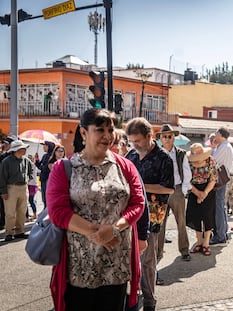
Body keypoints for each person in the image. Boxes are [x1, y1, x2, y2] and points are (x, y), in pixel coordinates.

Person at [47, 108, 146, 311]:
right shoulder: (64, 168)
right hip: (79, 265)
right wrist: (97, 232)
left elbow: (138, 203)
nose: (107, 136)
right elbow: (58, 212)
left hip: (117, 262)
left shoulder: (125, 166)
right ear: (84, 133)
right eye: (100, 130)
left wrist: (114, 228)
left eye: (110, 130)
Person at [125, 117, 174, 311]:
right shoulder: (131, 155)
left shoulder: (164, 158)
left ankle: (149, 301)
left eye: (137, 141)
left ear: (149, 136)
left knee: (147, 261)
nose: (135, 145)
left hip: (153, 215)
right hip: (129, 214)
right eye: (132, 141)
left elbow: (168, 188)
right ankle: (131, 297)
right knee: (128, 258)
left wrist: (139, 187)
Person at [156, 124, 192, 262]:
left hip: (177, 190)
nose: (167, 139)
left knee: (181, 222)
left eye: (170, 136)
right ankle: (158, 252)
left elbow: (187, 172)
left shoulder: (181, 153)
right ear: (160, 138)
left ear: (174, 138)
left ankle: (184, 250)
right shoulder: (157, 153)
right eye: (164, 136)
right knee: (159, 223)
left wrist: (183, 190)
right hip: (161, 191)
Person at [186, 143, 218, 256]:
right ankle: (199, 243)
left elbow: (213, 179)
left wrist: (204, 193)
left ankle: (206, 244)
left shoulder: (210, 160)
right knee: (196, 217)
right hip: (193, 190)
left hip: (208, 190)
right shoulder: (188, 162)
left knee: (208, 216)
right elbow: (186, 180)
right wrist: (198, 193)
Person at [0, 140, 33, 241]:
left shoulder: (26, 160)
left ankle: (20, 231)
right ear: (16, 150)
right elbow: (2, 177)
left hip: (23, 187)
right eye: (23, 148)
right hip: (11, 188)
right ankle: (9, 233)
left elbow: (30, 171)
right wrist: (4, 191)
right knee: (10, 212)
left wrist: (28, 178)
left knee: (22, 211)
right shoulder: (6, 162)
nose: (25, 150)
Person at [210, 127, 233, 246]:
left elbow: (213, 160)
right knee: (221, 206)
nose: (215, 136)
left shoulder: (224, 147)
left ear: (220, 134)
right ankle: (222, 232)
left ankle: (220, 235)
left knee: (219, 207)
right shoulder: (226, 146)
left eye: (216, 133)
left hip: (220, 178)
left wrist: (213, 148)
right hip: (223, 178)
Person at [0, 135, 17, 230]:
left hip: (11, 185)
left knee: (11, 207)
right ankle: (3, 222)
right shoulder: (3, 155)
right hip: (3, 184)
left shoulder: (15, 157)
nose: (4, 145)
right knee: (3, 206)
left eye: (6, 143)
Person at [35, 140, 55, 208]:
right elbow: (40, 167)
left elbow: (45, 168)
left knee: (47, 198)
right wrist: (37, 160)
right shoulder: (44, 156)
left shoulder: (52, 157)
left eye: (45, 145)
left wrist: (42, 166)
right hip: (43, 179)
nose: (43, 147)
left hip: (48, 179)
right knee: (44, 198)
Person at [26, 154, 39, 221]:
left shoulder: (32, 166)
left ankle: (34, 214)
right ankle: (33, 214)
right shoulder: (33, 165)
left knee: (31, 200)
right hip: (32, 185)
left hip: (32, 185)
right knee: (31, 200)